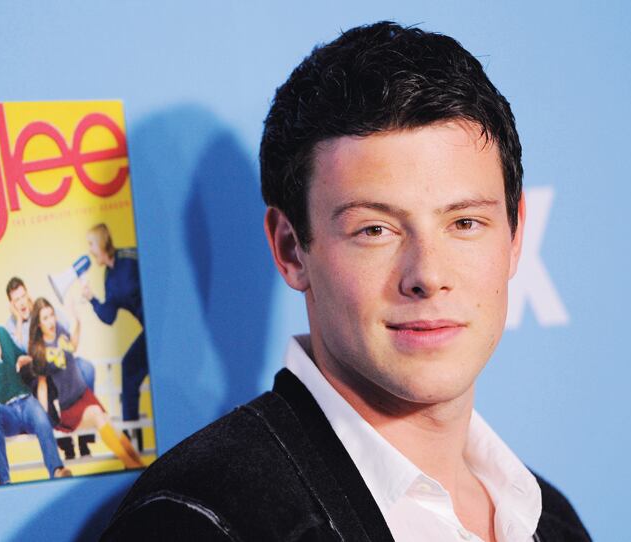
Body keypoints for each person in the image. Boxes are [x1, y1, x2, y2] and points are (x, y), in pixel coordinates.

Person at [102, 21, 591, 541]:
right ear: (291, 249)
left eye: (465, 223)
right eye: (374, 230)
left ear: (515, 236)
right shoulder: (199, 520)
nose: (427, 275)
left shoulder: (550, 521)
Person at [21, 297, 143, 470]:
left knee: (109, 423)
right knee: (97, 415)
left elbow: (73, 347)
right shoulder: (39, 350)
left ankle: (139, 465)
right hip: (68, 407)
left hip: (84, 394)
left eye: (51, 315)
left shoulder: (60, 330)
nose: (51, 321)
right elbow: (42, 386)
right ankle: (131, 466)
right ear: (39, 324)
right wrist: (44, 418)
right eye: (45, 318)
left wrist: (77, 321)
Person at [0, 306, 71, 485]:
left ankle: (57, 470)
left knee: (37, 411)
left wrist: (26, 359)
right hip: (7, 417)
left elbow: (22, 356)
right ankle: (4, 481)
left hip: (26, 402)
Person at [4, 276, 96, 459]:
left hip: (58, 360)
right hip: (39, 371)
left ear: (28, 294)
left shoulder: (42, 309)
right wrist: (20, 320)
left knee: (87, 368)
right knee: (46, 385)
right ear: (11, 304)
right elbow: (18, 353)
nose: (21, 303)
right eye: (16, 300)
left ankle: (84, 434)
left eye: (23, 297)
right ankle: (65, 440)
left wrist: (45, 317)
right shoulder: (12, 325)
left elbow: (64, 331)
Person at [81, 223, 148, 422]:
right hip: (149, 332)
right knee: (129, 366)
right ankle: (131, 427)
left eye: (91, 244)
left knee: (131, 366)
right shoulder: (108, 278)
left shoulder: (130, 256)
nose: (90, 250)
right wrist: (92, 298)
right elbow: (109, 316)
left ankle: (130, 425)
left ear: (102, 242)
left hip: (159, 326)